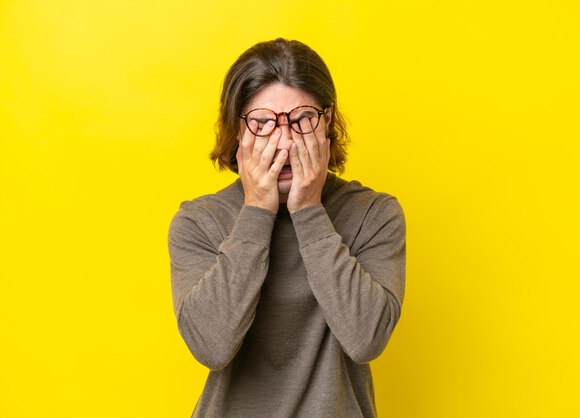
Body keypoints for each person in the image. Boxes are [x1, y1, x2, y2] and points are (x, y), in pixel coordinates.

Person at [168, 38, 406, 418]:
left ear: (327, 122)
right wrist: (257, 209)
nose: (286, 141)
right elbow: (211, 346)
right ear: (239, 131)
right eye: (263, 123)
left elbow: (366, 339)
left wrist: (308, 209)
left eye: (302, 120)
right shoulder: (199, 221)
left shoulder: (373, 214)